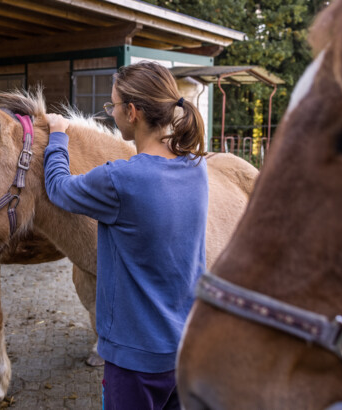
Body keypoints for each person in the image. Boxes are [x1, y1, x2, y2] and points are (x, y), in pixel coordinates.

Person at [44, 61, 208, 410]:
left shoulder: (121, 180)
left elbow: (58, 188)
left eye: (113, 105)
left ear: (132, 112)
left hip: (136, 361)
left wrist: (58, 135)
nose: (111, 112)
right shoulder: (197, 167)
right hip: (187, 348)